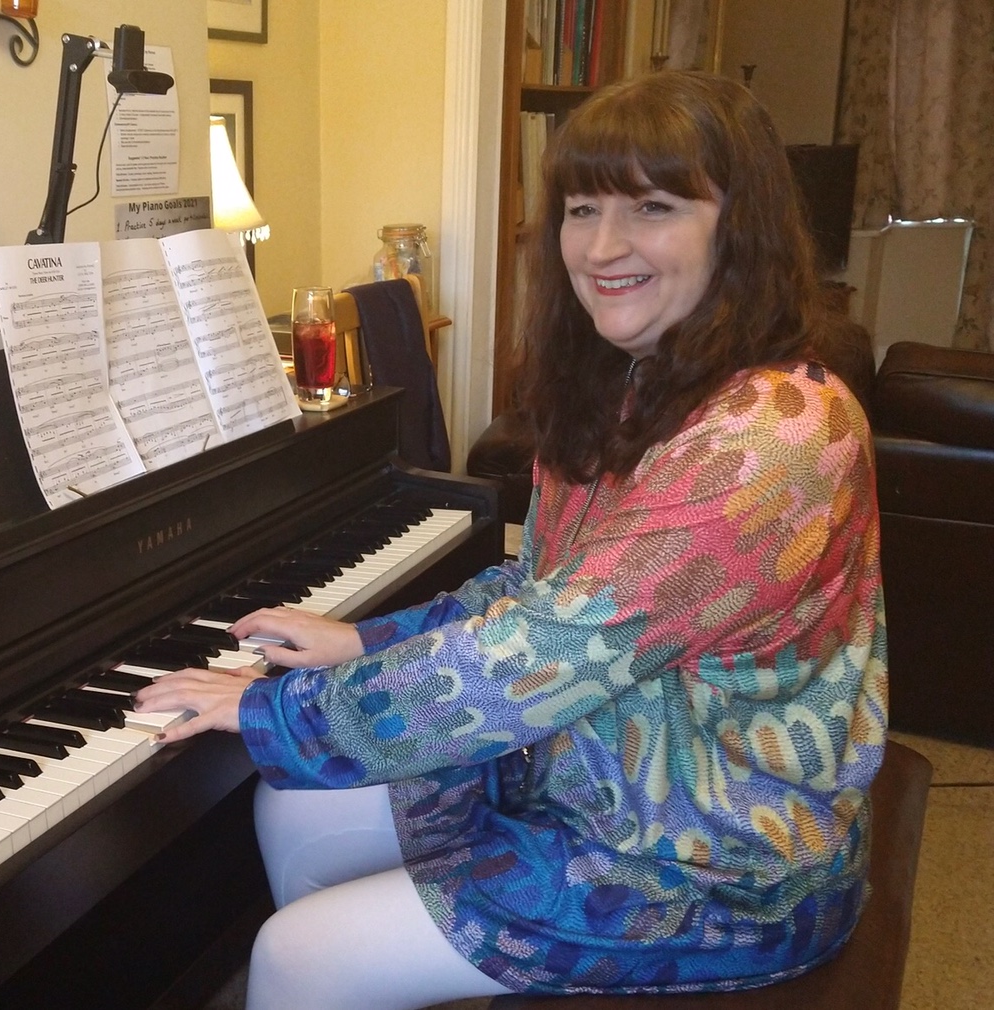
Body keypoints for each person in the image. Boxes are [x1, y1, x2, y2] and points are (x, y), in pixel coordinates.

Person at [136, 70, 887, 1010]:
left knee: (297, 954)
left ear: (738, 226)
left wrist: (274, 713)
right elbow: (535, 590)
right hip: (594, 771)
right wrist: (365, 639)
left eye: (653, 207)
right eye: (582, 210)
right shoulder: (630, 385)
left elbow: (542, 652)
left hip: (721, 859)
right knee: (294, 806)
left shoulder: (777, 435)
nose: (602, 247)